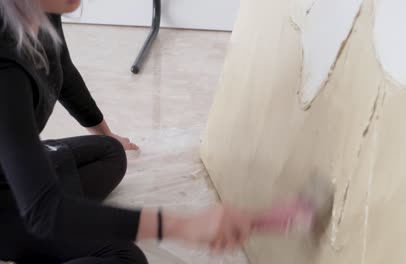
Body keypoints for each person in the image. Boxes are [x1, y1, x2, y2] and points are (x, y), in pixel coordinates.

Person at [0, 1, 255, 263]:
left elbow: (61, 67)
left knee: (109, 152)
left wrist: (105, 132)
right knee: (124, 256)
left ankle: (41, 204)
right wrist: (184, 226)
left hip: (10, 173)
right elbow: (46, 212)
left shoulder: (37, 8)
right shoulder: (5, 67)